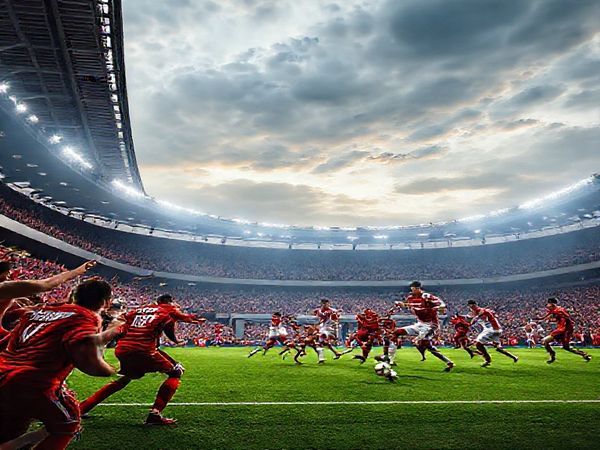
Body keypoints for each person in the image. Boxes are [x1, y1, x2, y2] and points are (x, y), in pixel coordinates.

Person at [0, 278, 120, 449]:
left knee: (13, 427)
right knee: (69, 422)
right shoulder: (86, 316)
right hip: (31, 381)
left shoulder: (40, 311)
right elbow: (89, 363)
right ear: (106, 302)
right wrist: (109, 369)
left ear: (73, 296)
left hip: (4, 372)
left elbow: (7, 341)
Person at [79, 294, 205, 425]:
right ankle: (155, 414)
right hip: (143, 349)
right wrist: (189, 323)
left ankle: (83, 408)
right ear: (169, 302)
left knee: (126, 377)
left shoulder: (140, 309)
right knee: (175, 373)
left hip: (123, 348)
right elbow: (176, 325)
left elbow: (122, 320)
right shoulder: (167, 309)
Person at [389, 281, 454, 371]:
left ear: (419, 288)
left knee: (424, 343)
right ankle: (390, 360)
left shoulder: (426, 296)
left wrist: (440, 308)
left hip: (431, 325)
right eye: (412, 289)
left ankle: (448, 362)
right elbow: (411, 306)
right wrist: (402, 305)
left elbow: (441, 304)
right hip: (420, 324)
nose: (413, 290)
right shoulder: (410, 298)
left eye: (414, 289)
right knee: (396, 332)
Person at [535, 297, 591, 364]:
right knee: (566, 347)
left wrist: (566, 320)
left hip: (564, 330)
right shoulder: (553, 310)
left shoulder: (560, 310)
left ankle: (552, 355)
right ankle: (584, 355)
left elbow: (567, 316)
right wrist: (540, 318)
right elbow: (546, 316)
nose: (546, 305)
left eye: (548, 304)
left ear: (552, 304)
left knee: (544, 341)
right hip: (561, 329)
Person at [467, 300, 518, 367]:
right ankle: (514, 357)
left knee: (478, 344)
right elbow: (472, 320)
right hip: (494, 329)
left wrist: (496, 329)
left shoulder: (482, 311)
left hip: (491, 329)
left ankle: (488, 360)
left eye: (472, 306)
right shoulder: (477, 313)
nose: (471, 308)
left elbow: (491, 319)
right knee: (498, 348)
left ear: (473, 305)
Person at [313, 298, 342, 363]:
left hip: (331, 329)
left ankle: (321, 357)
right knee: (321, 342)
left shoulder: (332, 310)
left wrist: (337, 314)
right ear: (322, 304)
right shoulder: (320, 311)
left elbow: (336, 318)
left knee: (320, 339)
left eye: (327, 303)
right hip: (324, 328)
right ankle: (335, 353)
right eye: (324, 303)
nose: (326, 305)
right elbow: (320, 318)